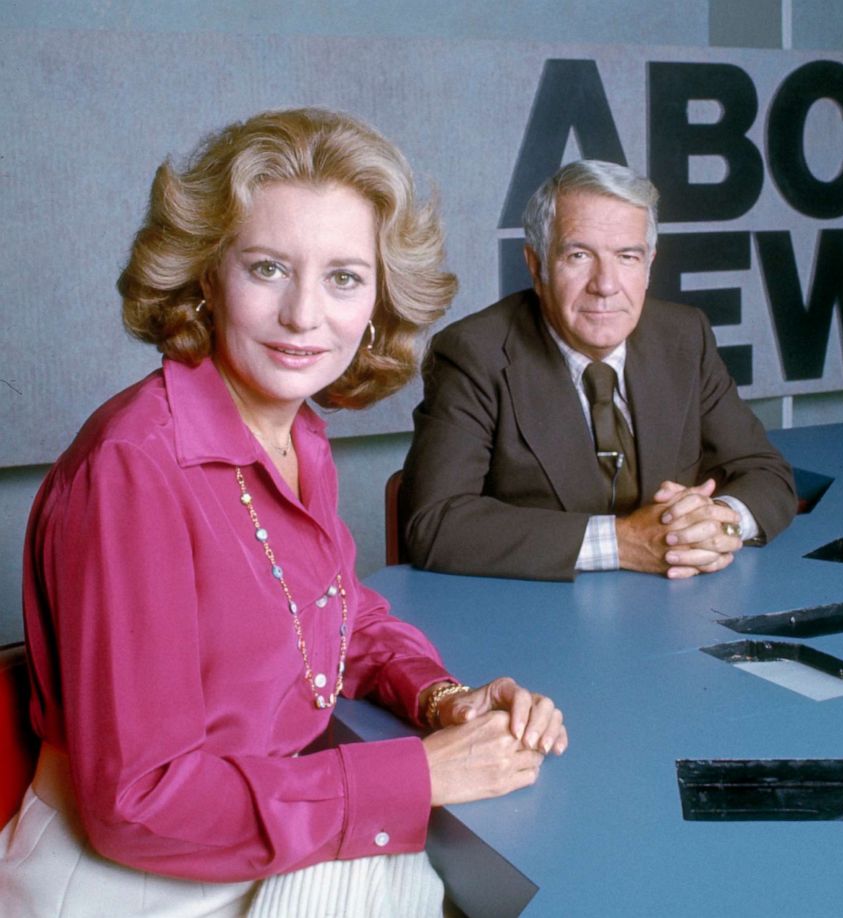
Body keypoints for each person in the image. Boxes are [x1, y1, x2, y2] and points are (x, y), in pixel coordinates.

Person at [0, 109, 566, 917]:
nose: (306, 316)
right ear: (206, 274)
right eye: (267, 268)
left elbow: (337, 616)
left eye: (343, 277)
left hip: (265, 832)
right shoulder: (135, 466)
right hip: (128, 883)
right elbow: (138, 805)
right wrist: (424, 774)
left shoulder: (293, 427)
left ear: (378, 297)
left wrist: (445, 700)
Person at [401, 159, 796, 582]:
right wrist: (623, 542)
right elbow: (436, 523)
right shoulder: (473, 353)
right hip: (539, 619)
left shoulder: (684, 336)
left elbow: (765, 472)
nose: (605, 285)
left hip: (679, 606)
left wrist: (717, 523)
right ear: (536, 267)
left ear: (649, 266)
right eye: (579, 255)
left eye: (627, 256)